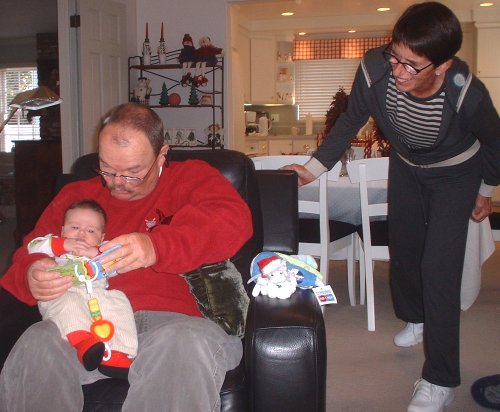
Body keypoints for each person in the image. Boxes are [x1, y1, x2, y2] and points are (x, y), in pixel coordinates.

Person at [284, 2, 500, 412]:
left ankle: (440, 379)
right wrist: (314, 168)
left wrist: (486, 189)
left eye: (411, 65)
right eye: (394, 56)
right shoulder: (374, 68)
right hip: (407, 168)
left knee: (439, 268)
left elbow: (494, 141)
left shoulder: (465, 91)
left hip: (456, 175)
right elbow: (351, 119)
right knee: (402, 251)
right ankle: (416, 318)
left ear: (441, 65)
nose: (398, 71)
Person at [0, 102, 253, 411]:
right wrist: (33, 275)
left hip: (176, 324)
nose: (116, 182)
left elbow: (233, 222)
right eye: (106, 168)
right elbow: (29, 254)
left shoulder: (192, 178)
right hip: (85, 325)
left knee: (183, 344)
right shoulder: (76, 198)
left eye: (133, 173)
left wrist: (155, 247)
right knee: (37, 343)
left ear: (161, 156)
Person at [28, 199, 137, 379]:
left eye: (91, 230)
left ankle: (118, 353)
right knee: (69, 304)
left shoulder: (103, 249)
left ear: (101, 238)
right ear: (62, 230)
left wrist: (97, 254)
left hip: (97, 295)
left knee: (119, 300)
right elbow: (32, 247)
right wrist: (62, 245)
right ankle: (83, 342)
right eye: (74, 227)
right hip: (64, 290)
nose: (81, 234)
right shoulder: (54, 246)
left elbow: (121, 259)